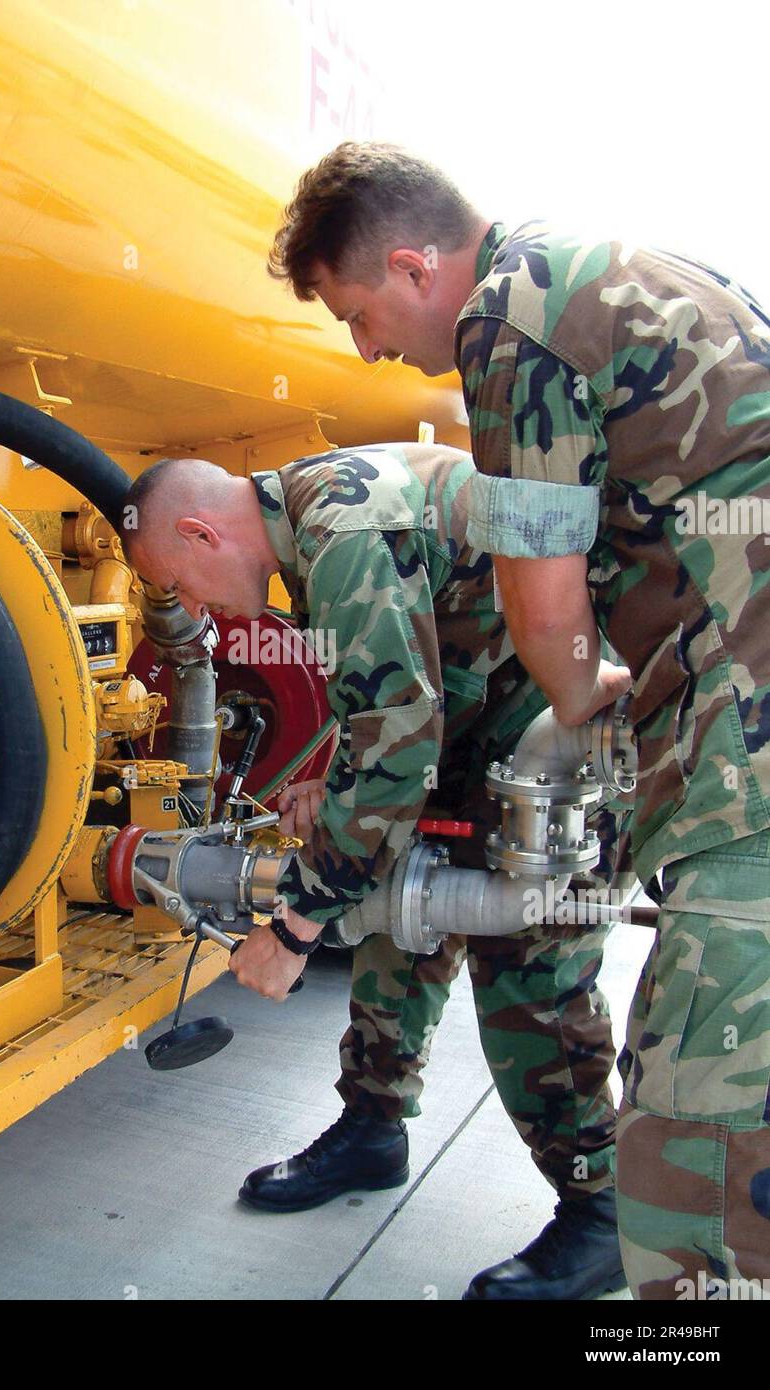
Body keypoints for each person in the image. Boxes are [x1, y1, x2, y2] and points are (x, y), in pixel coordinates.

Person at [267, 141, 770, 1299]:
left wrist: (588, 703)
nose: (369, 349)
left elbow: (541, 606)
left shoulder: (514, 322)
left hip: (748, 723)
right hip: (733, 686)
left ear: (411, 264)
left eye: (359, 313)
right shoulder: (607, 267)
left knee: (697, 1146)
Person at [123, 443, 634, 1299]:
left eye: (179, 586)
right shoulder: (310, 524)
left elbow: (398, 752)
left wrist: (292, 928)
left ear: (200, 533)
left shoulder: (342, 530)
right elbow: (390, 715)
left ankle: (603, 1210)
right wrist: (336, 782)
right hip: (480, 721)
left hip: (554, 728)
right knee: (397, 915)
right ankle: (372, 1127)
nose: (193, 611)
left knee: (527, 964)